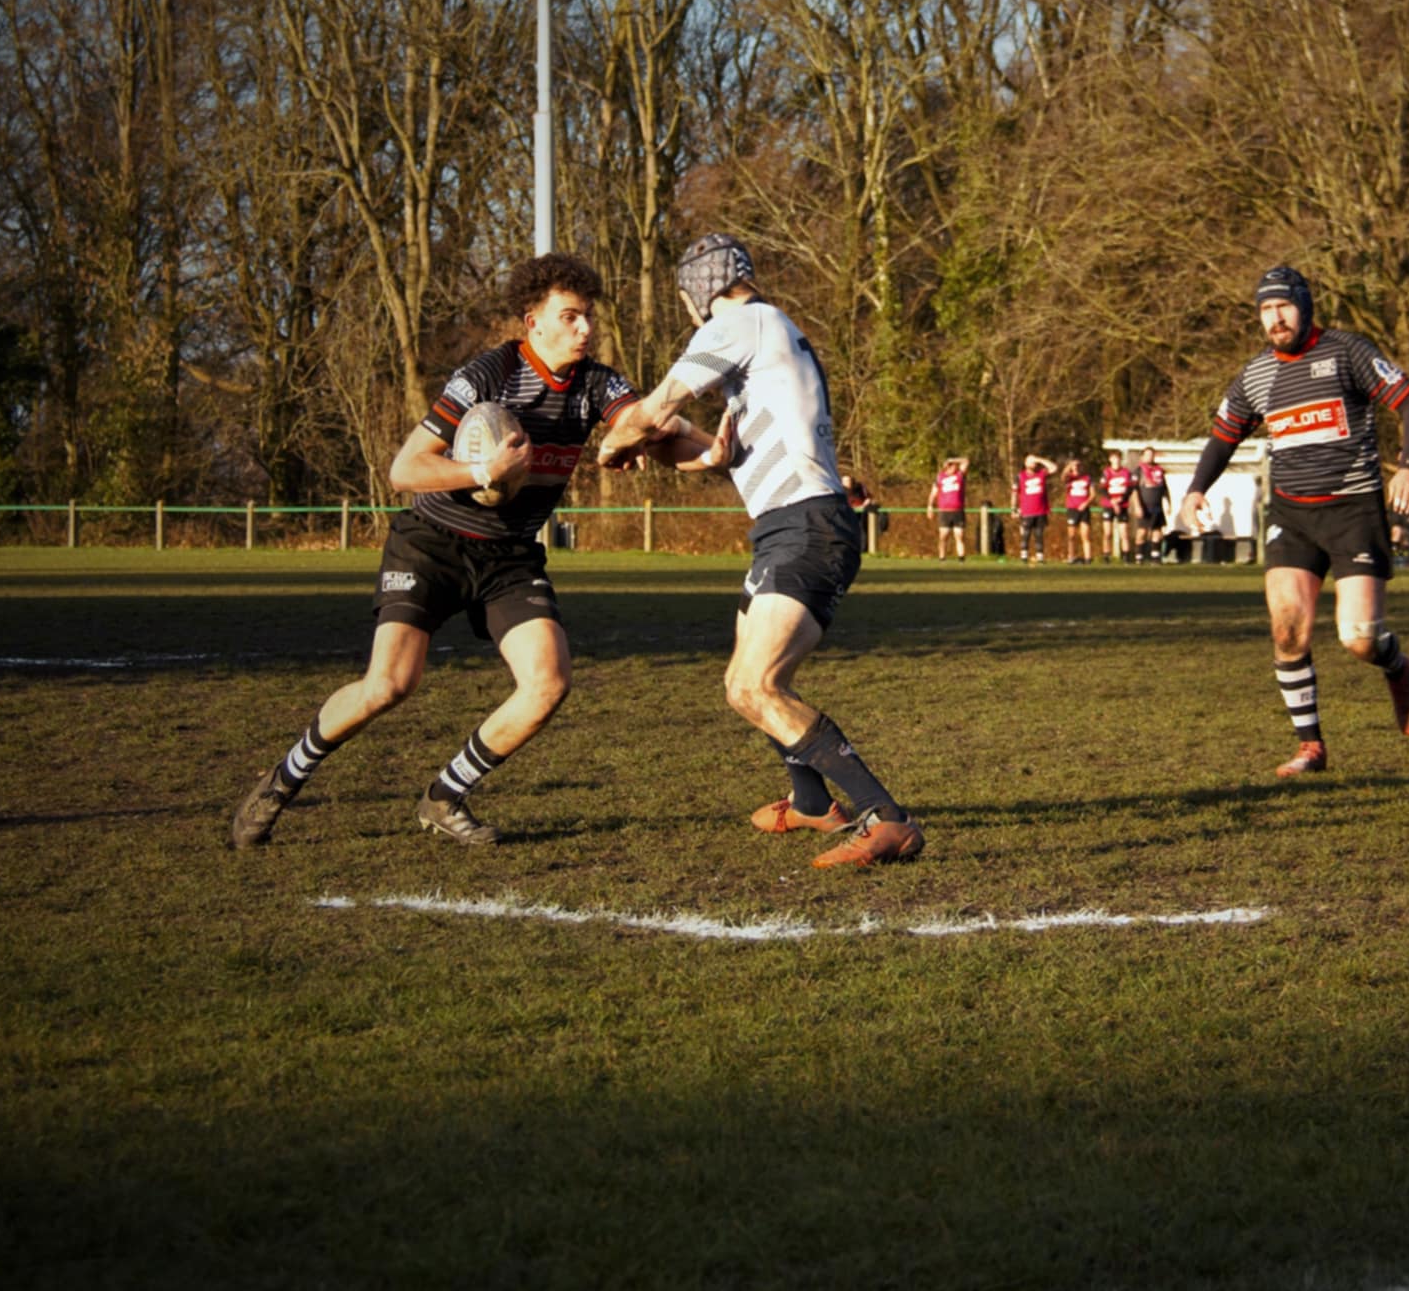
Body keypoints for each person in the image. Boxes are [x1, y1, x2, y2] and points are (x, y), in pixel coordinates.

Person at [231, 252, 670, 849]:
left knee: (547, 683)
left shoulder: (596, 382)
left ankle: (444, 796)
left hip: (509, 555)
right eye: (570, 316)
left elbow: (643, 421)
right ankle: (282, 781)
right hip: (432, 544)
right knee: (389, 685)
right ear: (533, 322)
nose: (585, 328)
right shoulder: (488, 374)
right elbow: (405, 469)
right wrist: (483, 471)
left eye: (588, 316)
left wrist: (693, 448)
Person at [598, 233, 925, 867]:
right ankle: (811, 802)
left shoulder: (738, 324)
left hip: (805, 528)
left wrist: (615, 443)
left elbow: (657, 408)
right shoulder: (769, 335)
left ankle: (889, 819)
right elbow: (708, 445)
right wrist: (690, 450)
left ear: (697, 293)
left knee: (755, 686)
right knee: (743, 683)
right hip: (789, 525)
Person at [1180, 263, 1409, 777]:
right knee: (1287, 630)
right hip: (1292, 515)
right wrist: (1195, 490)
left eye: (1284, 307)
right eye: (1266, 310)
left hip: (1353, 510)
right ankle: (1310, 746)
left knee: (1359, 638)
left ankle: (1395, 665)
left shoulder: (1347, 352)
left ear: (1305, 307)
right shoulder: (1255, 375)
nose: (1275, 318)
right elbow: (1224, 437)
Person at [1016, 452, 1057, 564]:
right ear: (1025, 463)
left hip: (1040, 510)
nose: (1033, 463)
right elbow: (1014, 493)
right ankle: (1024, 556)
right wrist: (1014, 508)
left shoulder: (1041, 474)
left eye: (1034, 461)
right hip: (1027, 511)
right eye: (1030, 461)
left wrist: (1039, 459)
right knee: (1026, 534)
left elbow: (1054, 468)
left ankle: (1040, 557)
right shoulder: (1020, 476)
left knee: (1039, 534)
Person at [1131, 447, 1169, 563]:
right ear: (1142, 456)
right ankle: (1139, 557)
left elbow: (1164, 489)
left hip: (1157, 505)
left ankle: (1155, 557)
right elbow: (1134, 490)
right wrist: (1137, 506)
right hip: (1144, 506)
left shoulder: (1159, 470)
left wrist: (1168, 502)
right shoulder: (1138, 471)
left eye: (1151, 455)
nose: (1150, 457)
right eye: (1147, 455)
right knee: (1142, 531)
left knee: (1157, 531)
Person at [929, 456, 970, 561]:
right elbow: (933, 493)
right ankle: (942, 557)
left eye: (954, 466)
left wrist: (952, 460)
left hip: (958, 511)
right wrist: (930, 506)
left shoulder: (959, 476)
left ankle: (961, 558)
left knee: (959, 535)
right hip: (944, 512)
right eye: (950, 466)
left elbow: (966, 461)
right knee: (943, 536)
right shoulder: (940, 477)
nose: (953, 467)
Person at [1099, 451, 1134, 562]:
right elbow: (1102, 489)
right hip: (1108, 505)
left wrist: (1121, 499)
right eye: (1114, 458)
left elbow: (1130, 488)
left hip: (1122, 505)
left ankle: (1126, 556)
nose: (1116, 461)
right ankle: (1106, 556)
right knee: (1107, 532)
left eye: (1118, 458)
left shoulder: (1126, 472)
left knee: (1124, 532)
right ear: (1110, 459)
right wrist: (1112, 501)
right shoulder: (1106, 472)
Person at [1061, 458, 1097, 564]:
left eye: (1078, 465)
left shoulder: (1087, 478)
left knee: (1085, 534)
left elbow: (1093, 494)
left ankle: (1088, 558)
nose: (1076, 467)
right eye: (1074, 465)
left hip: (1084, 509)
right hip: (1072, 509)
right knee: (1071, 535)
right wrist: (1069, 466)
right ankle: (1071, 556)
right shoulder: (1069, 478)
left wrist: (1086, 503)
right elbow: (1062, 476)